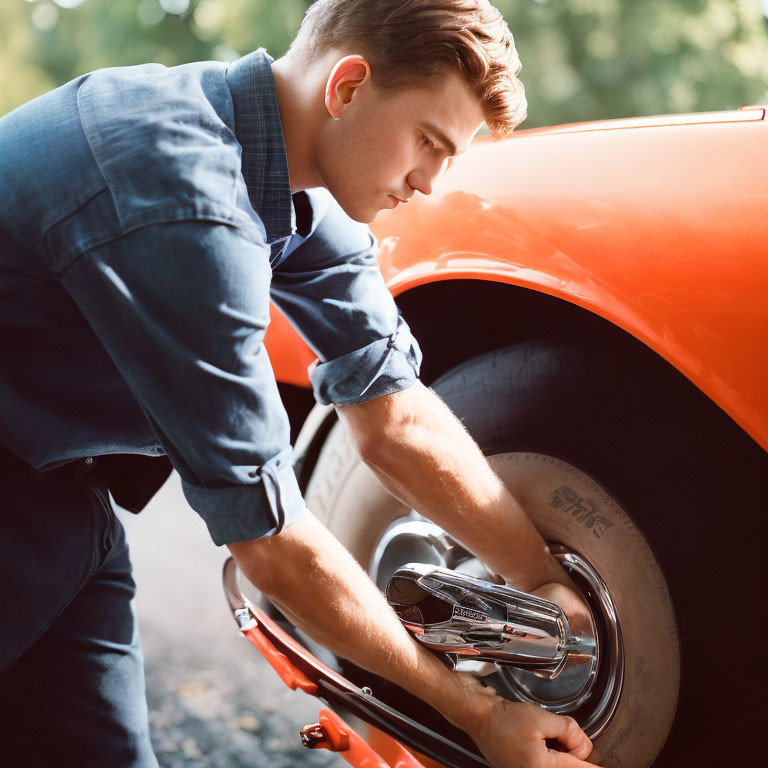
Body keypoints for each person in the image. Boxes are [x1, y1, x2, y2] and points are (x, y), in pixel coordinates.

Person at [0, 1, 598, 766]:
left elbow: (396, 416)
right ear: (348, 87)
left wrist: (546, 586)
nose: (429, 182)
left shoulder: (296, 181)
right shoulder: (186, 205)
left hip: (53, 498)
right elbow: (272, 543)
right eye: (428, 142)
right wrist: (481, 718)